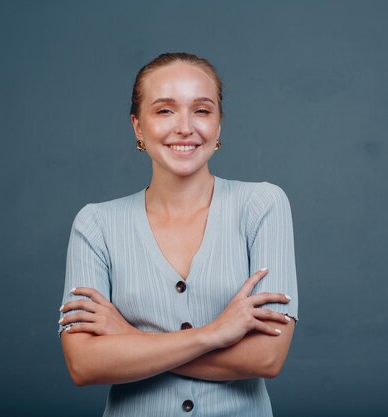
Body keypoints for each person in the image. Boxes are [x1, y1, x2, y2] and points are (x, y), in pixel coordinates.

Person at [58, 52, 298, 417]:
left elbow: (267, 357)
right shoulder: (95, 224)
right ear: (138, 127)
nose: (185, 127)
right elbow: (84, 365)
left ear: (219, 125)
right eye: (165, 110)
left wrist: (130, 338)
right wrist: (214, 333)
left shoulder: (262, 205)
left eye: (202, 110)